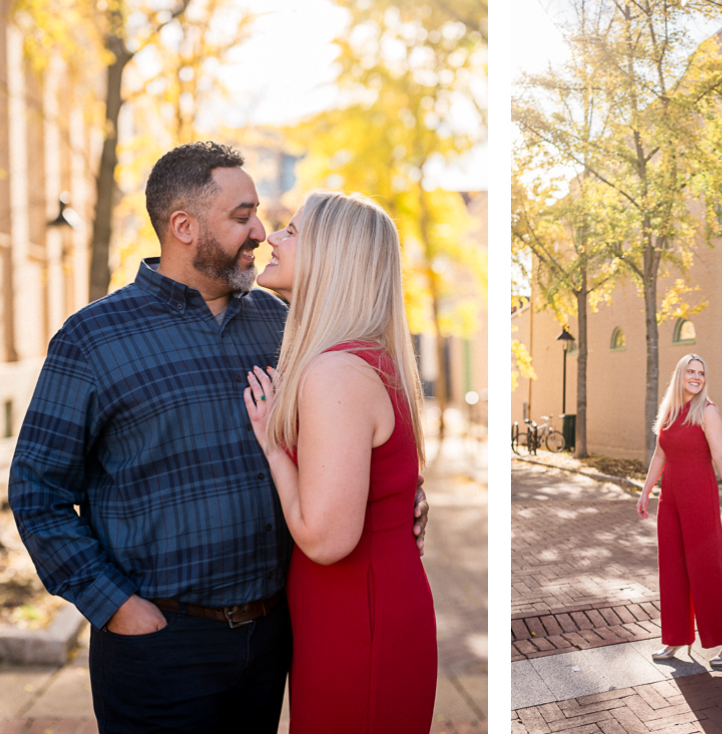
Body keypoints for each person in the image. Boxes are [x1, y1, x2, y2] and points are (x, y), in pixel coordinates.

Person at [7, 142, 428, 734]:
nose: (259, 230)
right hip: (160, 645)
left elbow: (348, 437)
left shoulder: (285, 328)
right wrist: (116, 607)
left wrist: (395, 496)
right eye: (241, 216)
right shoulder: (92, 338)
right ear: (183, 226)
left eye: (260, 215)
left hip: (276, 639)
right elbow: (37, 491)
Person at [243, 190, 437, 733]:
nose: (272, 238)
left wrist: (274, 448)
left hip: (358, 622)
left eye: (293, 231)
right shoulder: (362, 357)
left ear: (334, 258)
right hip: (356, 610)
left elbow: (328, 541)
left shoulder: (335, 372)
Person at [636, 354, 722, 669]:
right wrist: (646, 491)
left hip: (699, 495)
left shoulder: (707, 411)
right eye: (691, 371)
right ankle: (676, 636)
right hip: (670, 497)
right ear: (680, 375)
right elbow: (660, 453)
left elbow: (721, 454)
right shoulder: (670, 410)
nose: (696, 377)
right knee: (671, 567)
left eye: (701, 372)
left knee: (707, 567)